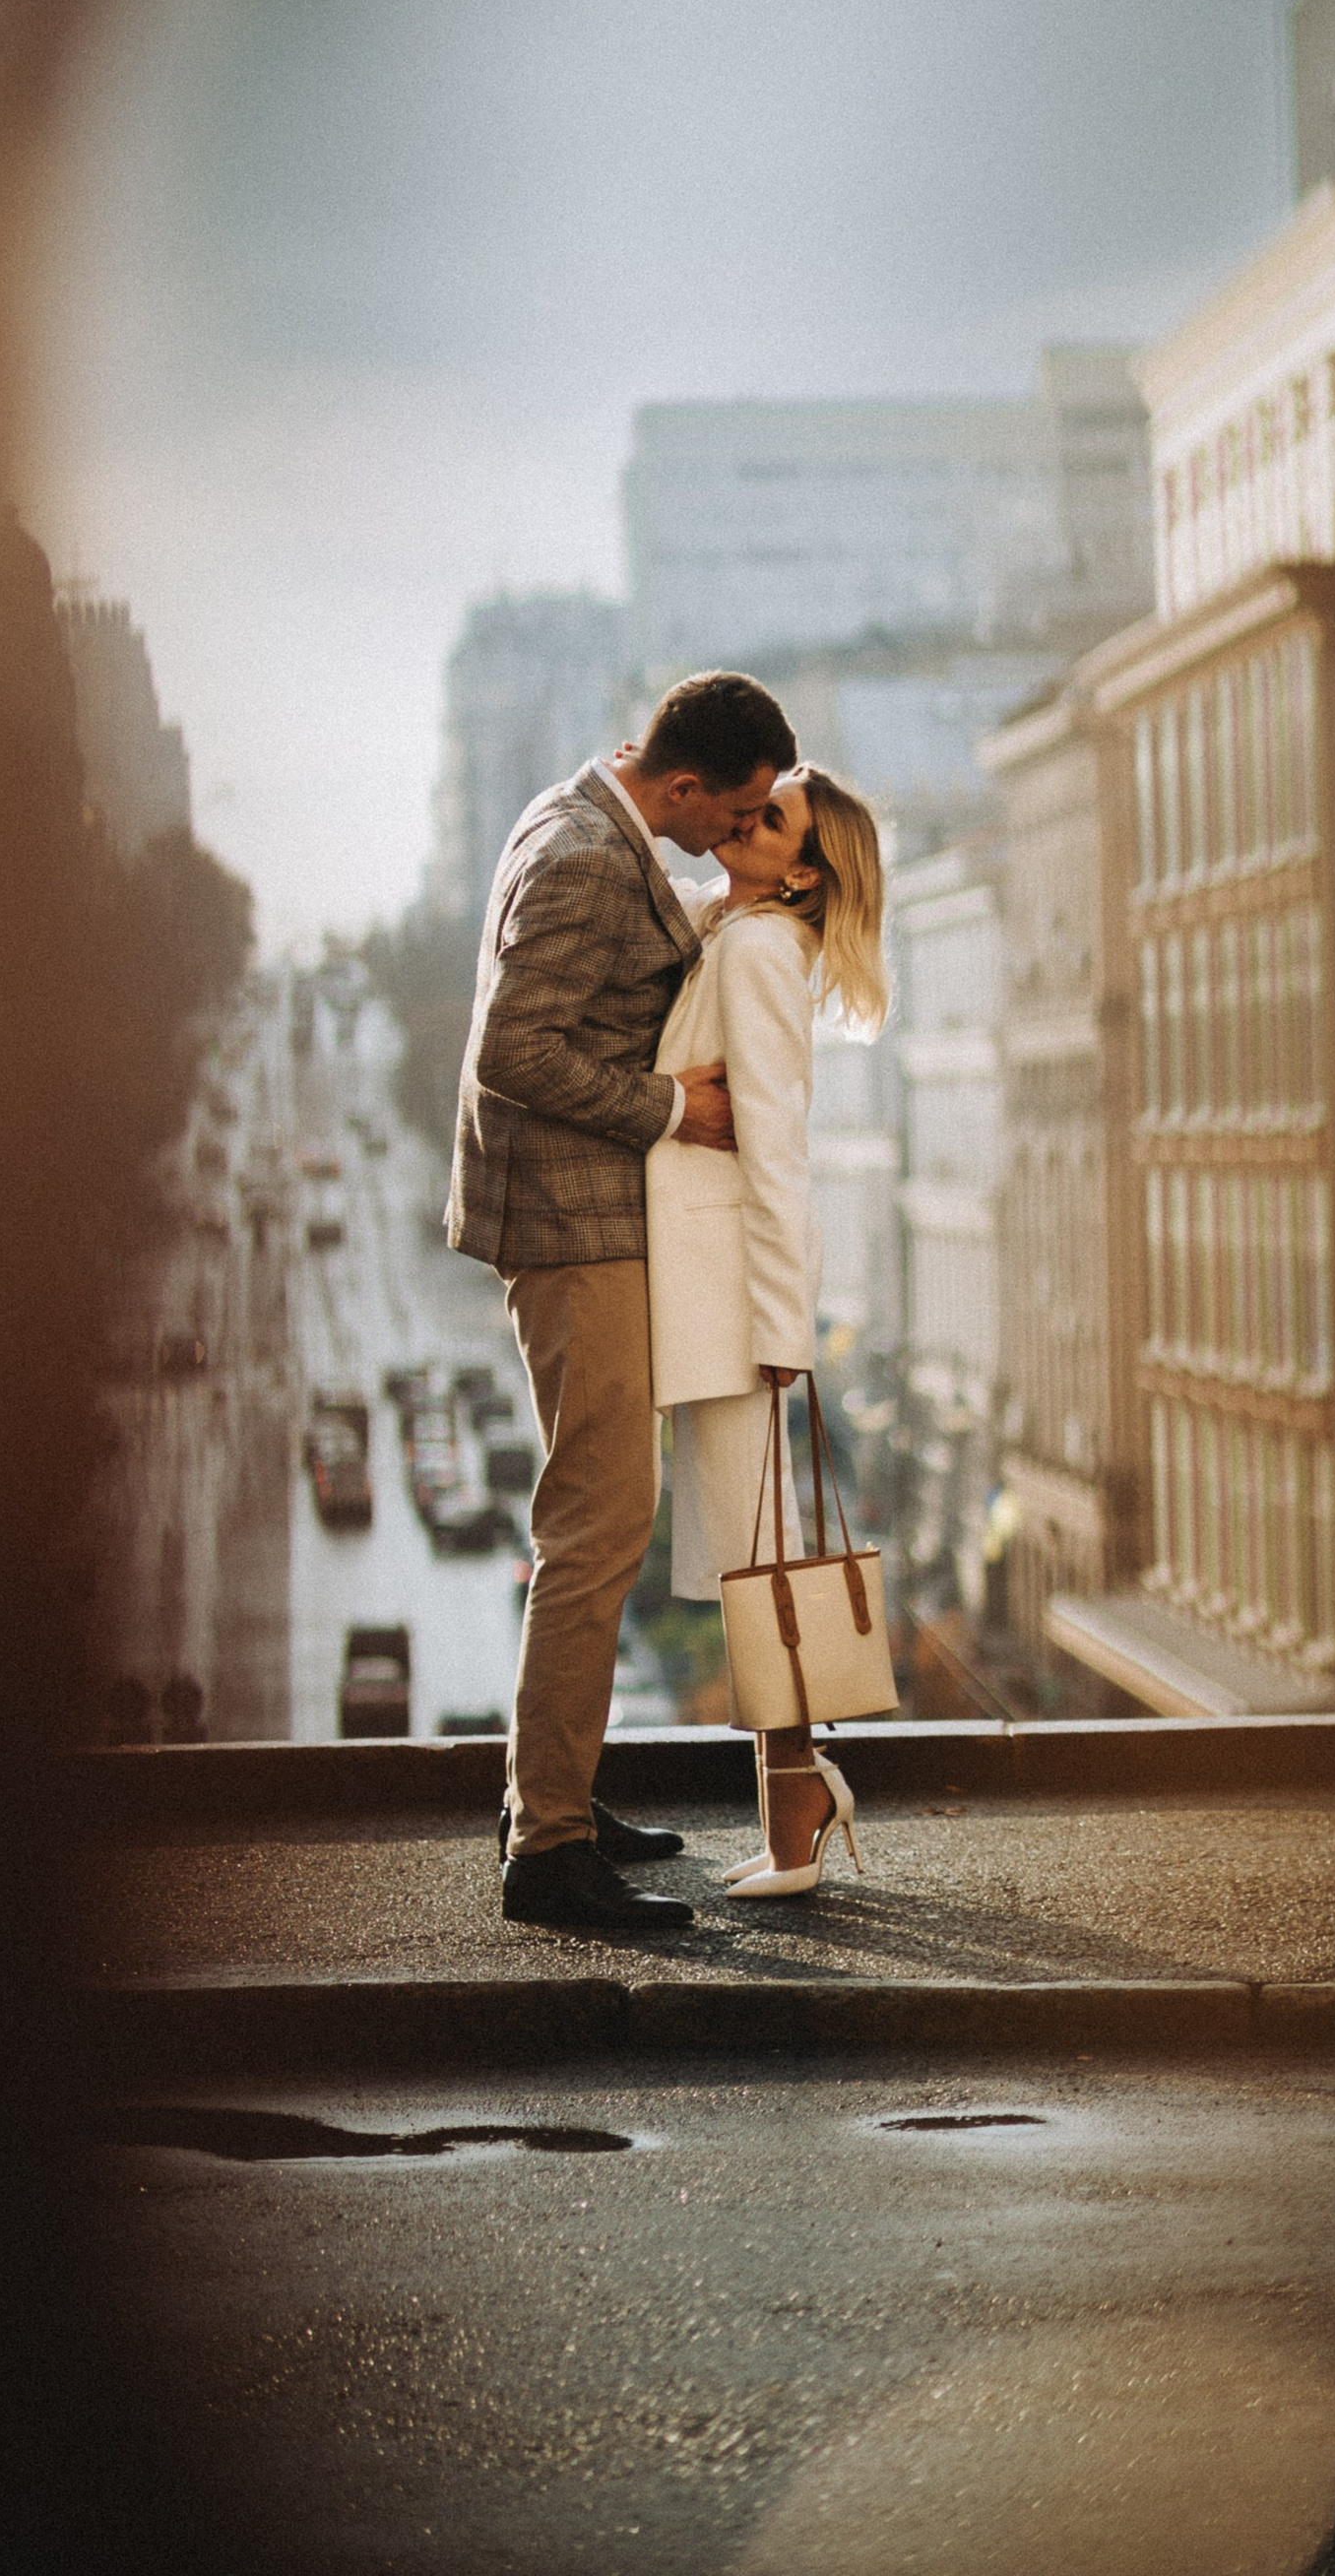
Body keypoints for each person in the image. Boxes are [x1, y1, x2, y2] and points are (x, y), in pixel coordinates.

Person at [450, 669, 796, 1934]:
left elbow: (601, 977)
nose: (736, 830)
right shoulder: (588, 856)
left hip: (578, 1223)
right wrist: (669, 1110)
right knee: (597, 1528)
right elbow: (512, 1049)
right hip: (571, 1229)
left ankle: (556, 1799)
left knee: (597, 1523)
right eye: (735, 810)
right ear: (684, 782)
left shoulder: (587, 819)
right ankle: (546, 1849)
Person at [648, 765, 888, 1896]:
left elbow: (777, 1149)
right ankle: (793, 1796)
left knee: (759, 1564)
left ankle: (795, 1807)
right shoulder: (733, 930)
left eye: (772, 816)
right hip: (707, 1290)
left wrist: (786, 1323)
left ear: (802, 872)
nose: (745, 818)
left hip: (728, 1299)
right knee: (746, 1559)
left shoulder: (755, 952)